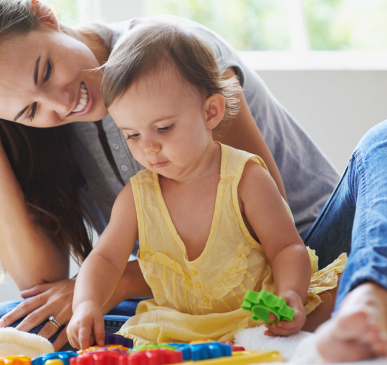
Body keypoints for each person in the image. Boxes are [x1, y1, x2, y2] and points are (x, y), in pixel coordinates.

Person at [0, 0, 385, 360]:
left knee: (381, 142)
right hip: (186, 299)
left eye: (45, 71)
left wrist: (116, 281)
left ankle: (367, 293)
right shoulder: (49, 129)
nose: (60, 104)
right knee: (1, 330)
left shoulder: (169, 53)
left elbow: (247, 232)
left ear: (45, 15)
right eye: (29, 111)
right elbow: (39, 283)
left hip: (305, 257)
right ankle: (216, 344)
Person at [65, 21, 346, 349]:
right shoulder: (136, 198)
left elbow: (286, 247)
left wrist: (290, 296)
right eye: (132, 135)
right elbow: (105, 260)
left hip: (254, 317)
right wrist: (85, 304)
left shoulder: (245, 178)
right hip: (179, 329)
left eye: (164, 128)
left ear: (211, 112)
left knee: (333, 296)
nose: (149, 147)